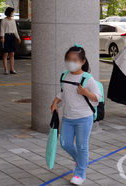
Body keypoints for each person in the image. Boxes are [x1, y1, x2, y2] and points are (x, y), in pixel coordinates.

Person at [50, 45, 102, 185]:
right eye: (68, 59)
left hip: (84, 118)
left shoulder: (87, 78)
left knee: (81, 145)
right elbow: (63, 91)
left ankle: (80, 174)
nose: (70, 62)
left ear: (83, 61)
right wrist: (55, 102)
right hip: (67, 117)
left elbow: (98, 96)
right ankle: (81, 160)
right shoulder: (64, 75)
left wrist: (86, 93)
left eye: (74, 60)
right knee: (65, 143)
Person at [0, 7, 21, 75]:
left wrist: (18, 37)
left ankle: (12, 68)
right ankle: (6, 69)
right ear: (9, 12)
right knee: (5, 53)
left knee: (12, 53)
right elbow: (2, 29)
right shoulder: (4, 20)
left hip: (12, 36)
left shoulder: (13, 20)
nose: (13, 13)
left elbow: (15, 30)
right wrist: (2, 37)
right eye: (12, 12)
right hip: (6, 36)